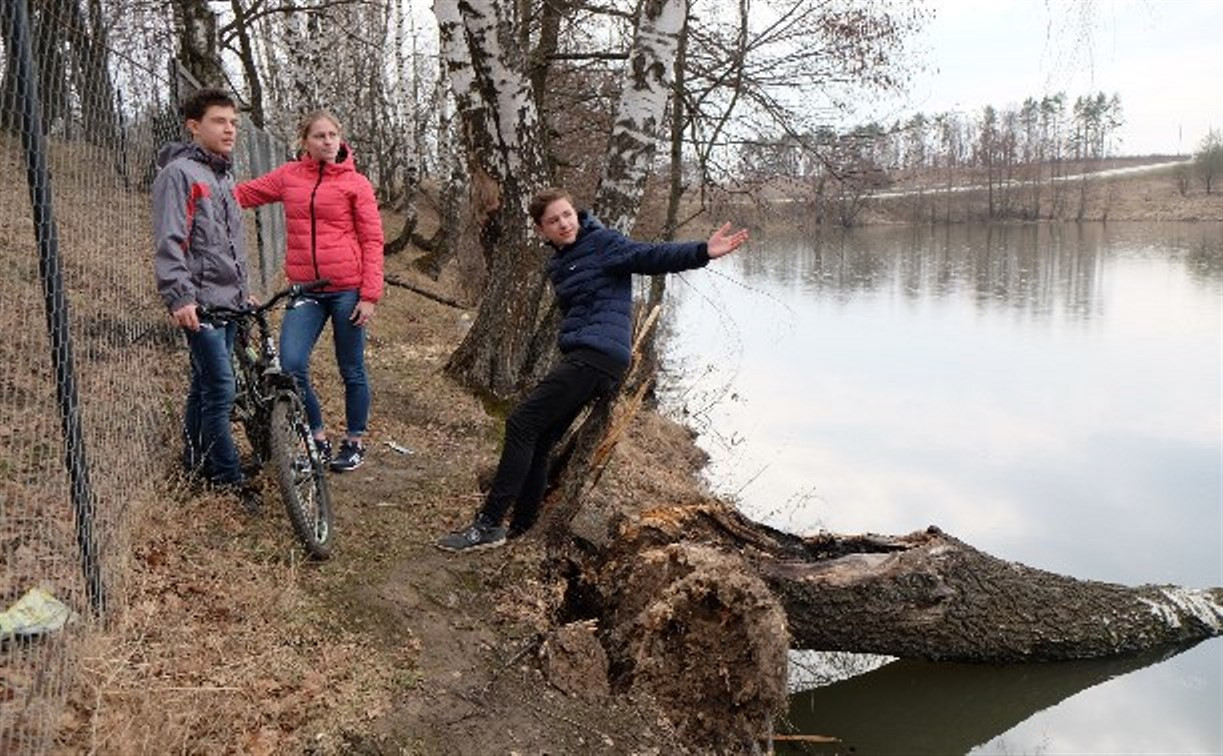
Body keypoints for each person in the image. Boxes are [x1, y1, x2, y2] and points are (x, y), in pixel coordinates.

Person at [437, 187, 749, 553]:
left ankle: (488, 524)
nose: (563, 223)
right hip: (592, 357)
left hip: (596, 357)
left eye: (567, 214)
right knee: (541, 438)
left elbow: (649, 255)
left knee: (521, 422)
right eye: (553, 220)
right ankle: (521, 527)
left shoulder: (602, 243)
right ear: (542, 230)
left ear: (576, 213)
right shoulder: (560, 262)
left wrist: (702, 252)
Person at [234, 111, 384, 472]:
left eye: (333, 134)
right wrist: (198, 188)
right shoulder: (289, 176)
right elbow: (244, 193)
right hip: (306, 289)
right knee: (292, 363)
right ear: (305, 141)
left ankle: (355, 441)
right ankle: (316, 437)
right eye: (320, 136)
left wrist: (369, 295)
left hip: (348, 288)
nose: (328, 141)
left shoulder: (356, 184)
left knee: (351, 367)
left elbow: (372, 239)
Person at [152, 88, 257, 508]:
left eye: (233, 122)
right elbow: (170, 241)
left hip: (228, 301)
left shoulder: (224, 175)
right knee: (221, 390)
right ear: (194, 126)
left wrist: (242, 290)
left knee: (204, 386)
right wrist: (180, 297)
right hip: (200, 305)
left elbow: (230, 244)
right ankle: (228, 480)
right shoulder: (178, 175)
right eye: (219, 121)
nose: (229, 129)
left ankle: (196, 460)